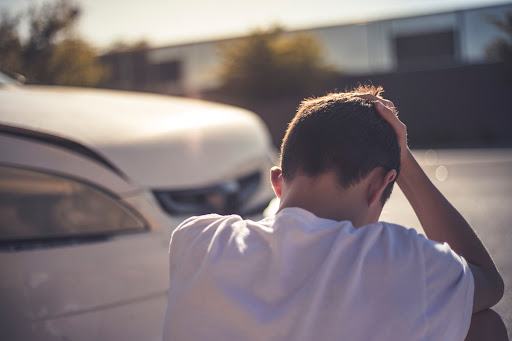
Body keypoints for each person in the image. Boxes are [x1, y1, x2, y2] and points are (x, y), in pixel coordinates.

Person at [162, 86, 506, 341]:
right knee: (484, 325)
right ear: (379, 187)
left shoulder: (197, 240)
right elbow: (489, 284)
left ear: (278, 183)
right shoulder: (402, 259)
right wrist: (405, 162)